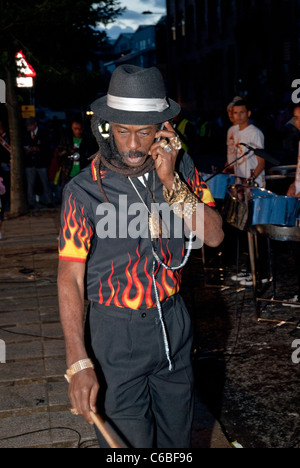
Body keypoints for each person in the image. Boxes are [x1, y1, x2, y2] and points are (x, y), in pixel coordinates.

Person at [57, 65, 224, 449]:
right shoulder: (82, 191)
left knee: (176, 442)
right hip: (115, 336)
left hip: (175, 326)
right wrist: (78, 362)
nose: (133, 144)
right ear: (106, 128)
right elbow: (69, 276)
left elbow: (213, 236)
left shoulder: (181, 170)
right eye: (122, 130)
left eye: (144, 131)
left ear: (164, 130)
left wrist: (171, 183)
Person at [225, 100, 266, 187]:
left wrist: (249, 180)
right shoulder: (235, 132)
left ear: (248, 113)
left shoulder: (255, 133)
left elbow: (261, 162)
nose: (238, 116)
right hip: (239, 183)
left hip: (253, 183)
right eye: (235, 113)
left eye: (242, 112)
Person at [56, 119, 98, 189]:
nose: (78, 131)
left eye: (80, 129)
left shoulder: (87, 141)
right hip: (68, 173)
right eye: (75, 128)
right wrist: (70, 154)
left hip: (83, 174)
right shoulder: (67, 140)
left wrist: (81, 158)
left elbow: (92, 156)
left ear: (83, 129)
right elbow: (60, 156)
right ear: (72, 128)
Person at [23, 117, 53, 209]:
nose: (30, 127)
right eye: (28, 126)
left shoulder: (43, 133)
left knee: (45, 182)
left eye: (31, 125)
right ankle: (31, 202)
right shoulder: (26, 134)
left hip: (41, 162)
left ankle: (49, 200)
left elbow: (47, 147)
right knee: (30, 183)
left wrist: (38, 148)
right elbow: (23, 145)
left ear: (35, 124)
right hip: (30, 162)